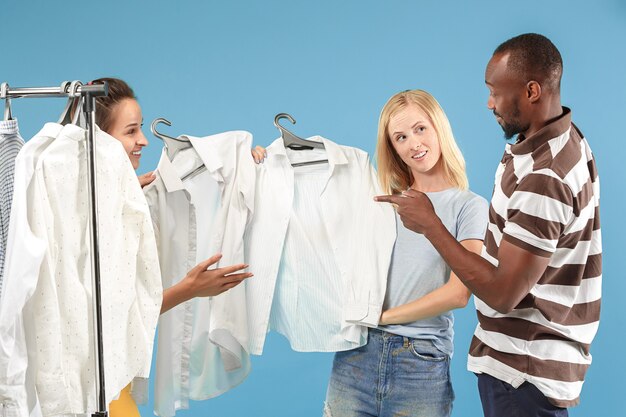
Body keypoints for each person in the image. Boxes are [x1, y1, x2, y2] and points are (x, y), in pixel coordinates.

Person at [375, 34, 601, 417]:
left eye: (496, 92)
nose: (489, 103)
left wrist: (431, 225)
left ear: (531, 91)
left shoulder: (545, 175)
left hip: (522, 369)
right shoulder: (550, 143)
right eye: (400, 136)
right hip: (520, 366)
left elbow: (502, 293)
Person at [90, 77, 264, 416]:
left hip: (112, 383)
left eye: (140, 129)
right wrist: (190, 289)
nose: (143, 140)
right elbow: (109, 317)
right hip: (97, 392)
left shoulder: (121, 198)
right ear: (101, 141)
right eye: (130, 132)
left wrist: (256, 164)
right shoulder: (95, 213)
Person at [323, 89, 488, 417]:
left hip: (421, 362)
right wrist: (265, 162)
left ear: (438, 126)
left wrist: (382, 318)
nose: (413, 143)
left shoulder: (469, 206)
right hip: (355, 354)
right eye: (400, 137)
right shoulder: (380, 202)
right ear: (393, 149)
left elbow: (458, 294)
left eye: (420, 129)